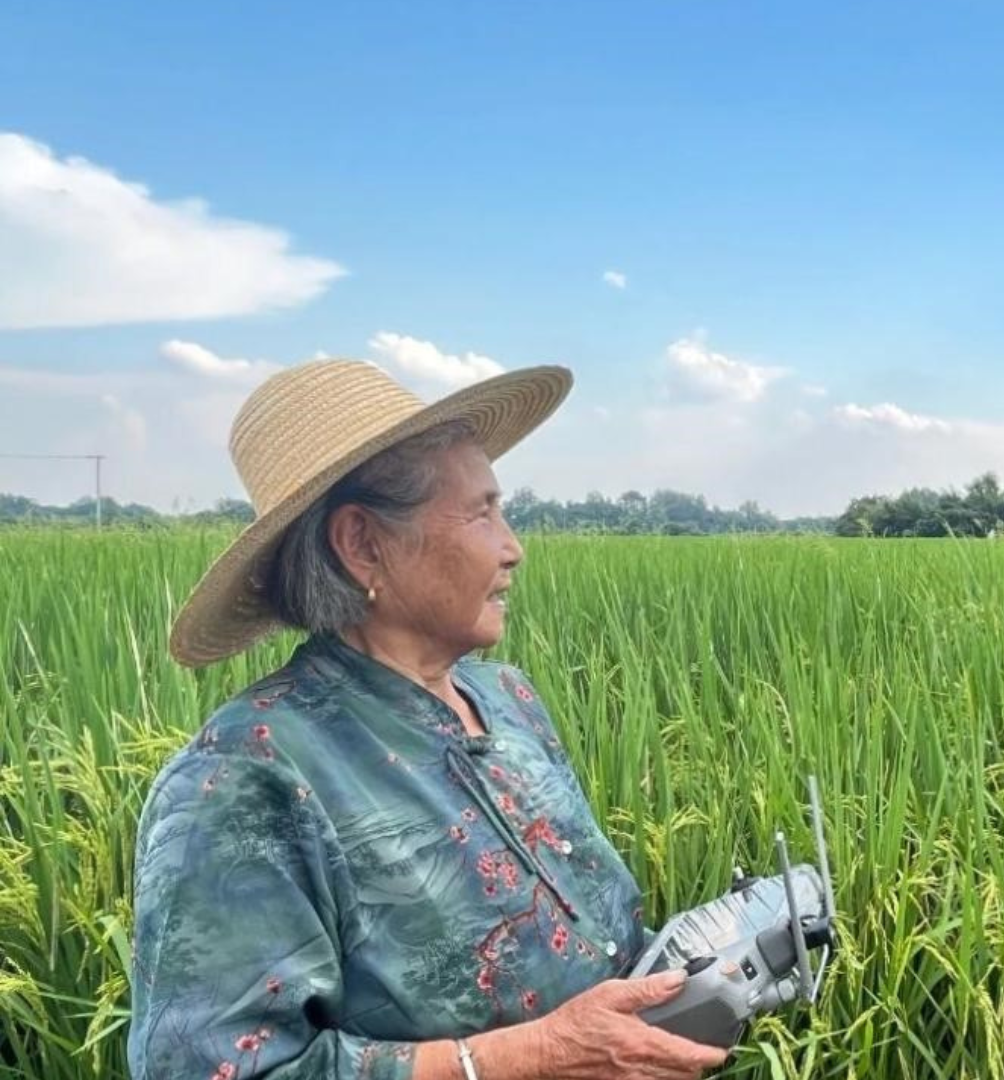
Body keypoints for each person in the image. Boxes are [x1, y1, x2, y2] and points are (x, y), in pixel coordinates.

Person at [129, 359, 729, 1080]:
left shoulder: (506, 698)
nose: (514, 548)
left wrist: (699, 970)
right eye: (481, 512)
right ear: (362, 544)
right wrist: (535, 1057)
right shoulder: (247, 776)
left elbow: (593, 935)